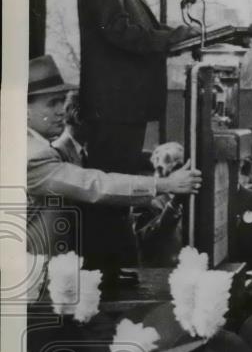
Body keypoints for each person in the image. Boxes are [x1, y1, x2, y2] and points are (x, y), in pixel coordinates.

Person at [77, 0, 197, 283]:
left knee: (118, 179)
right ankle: (103, 273)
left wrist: (170, 36)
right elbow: (117, 30)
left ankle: (109, 270)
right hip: (114, 102)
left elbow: (128, 26)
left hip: (119, 102)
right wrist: (171, 38)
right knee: (113, 183)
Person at [25, 55, 201, 260]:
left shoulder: (30, 147)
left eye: (61, 101)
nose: (60, 111)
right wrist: (166, 184)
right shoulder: (34, 155)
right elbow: (96, 185)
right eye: (51, 103)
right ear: (25, 110)